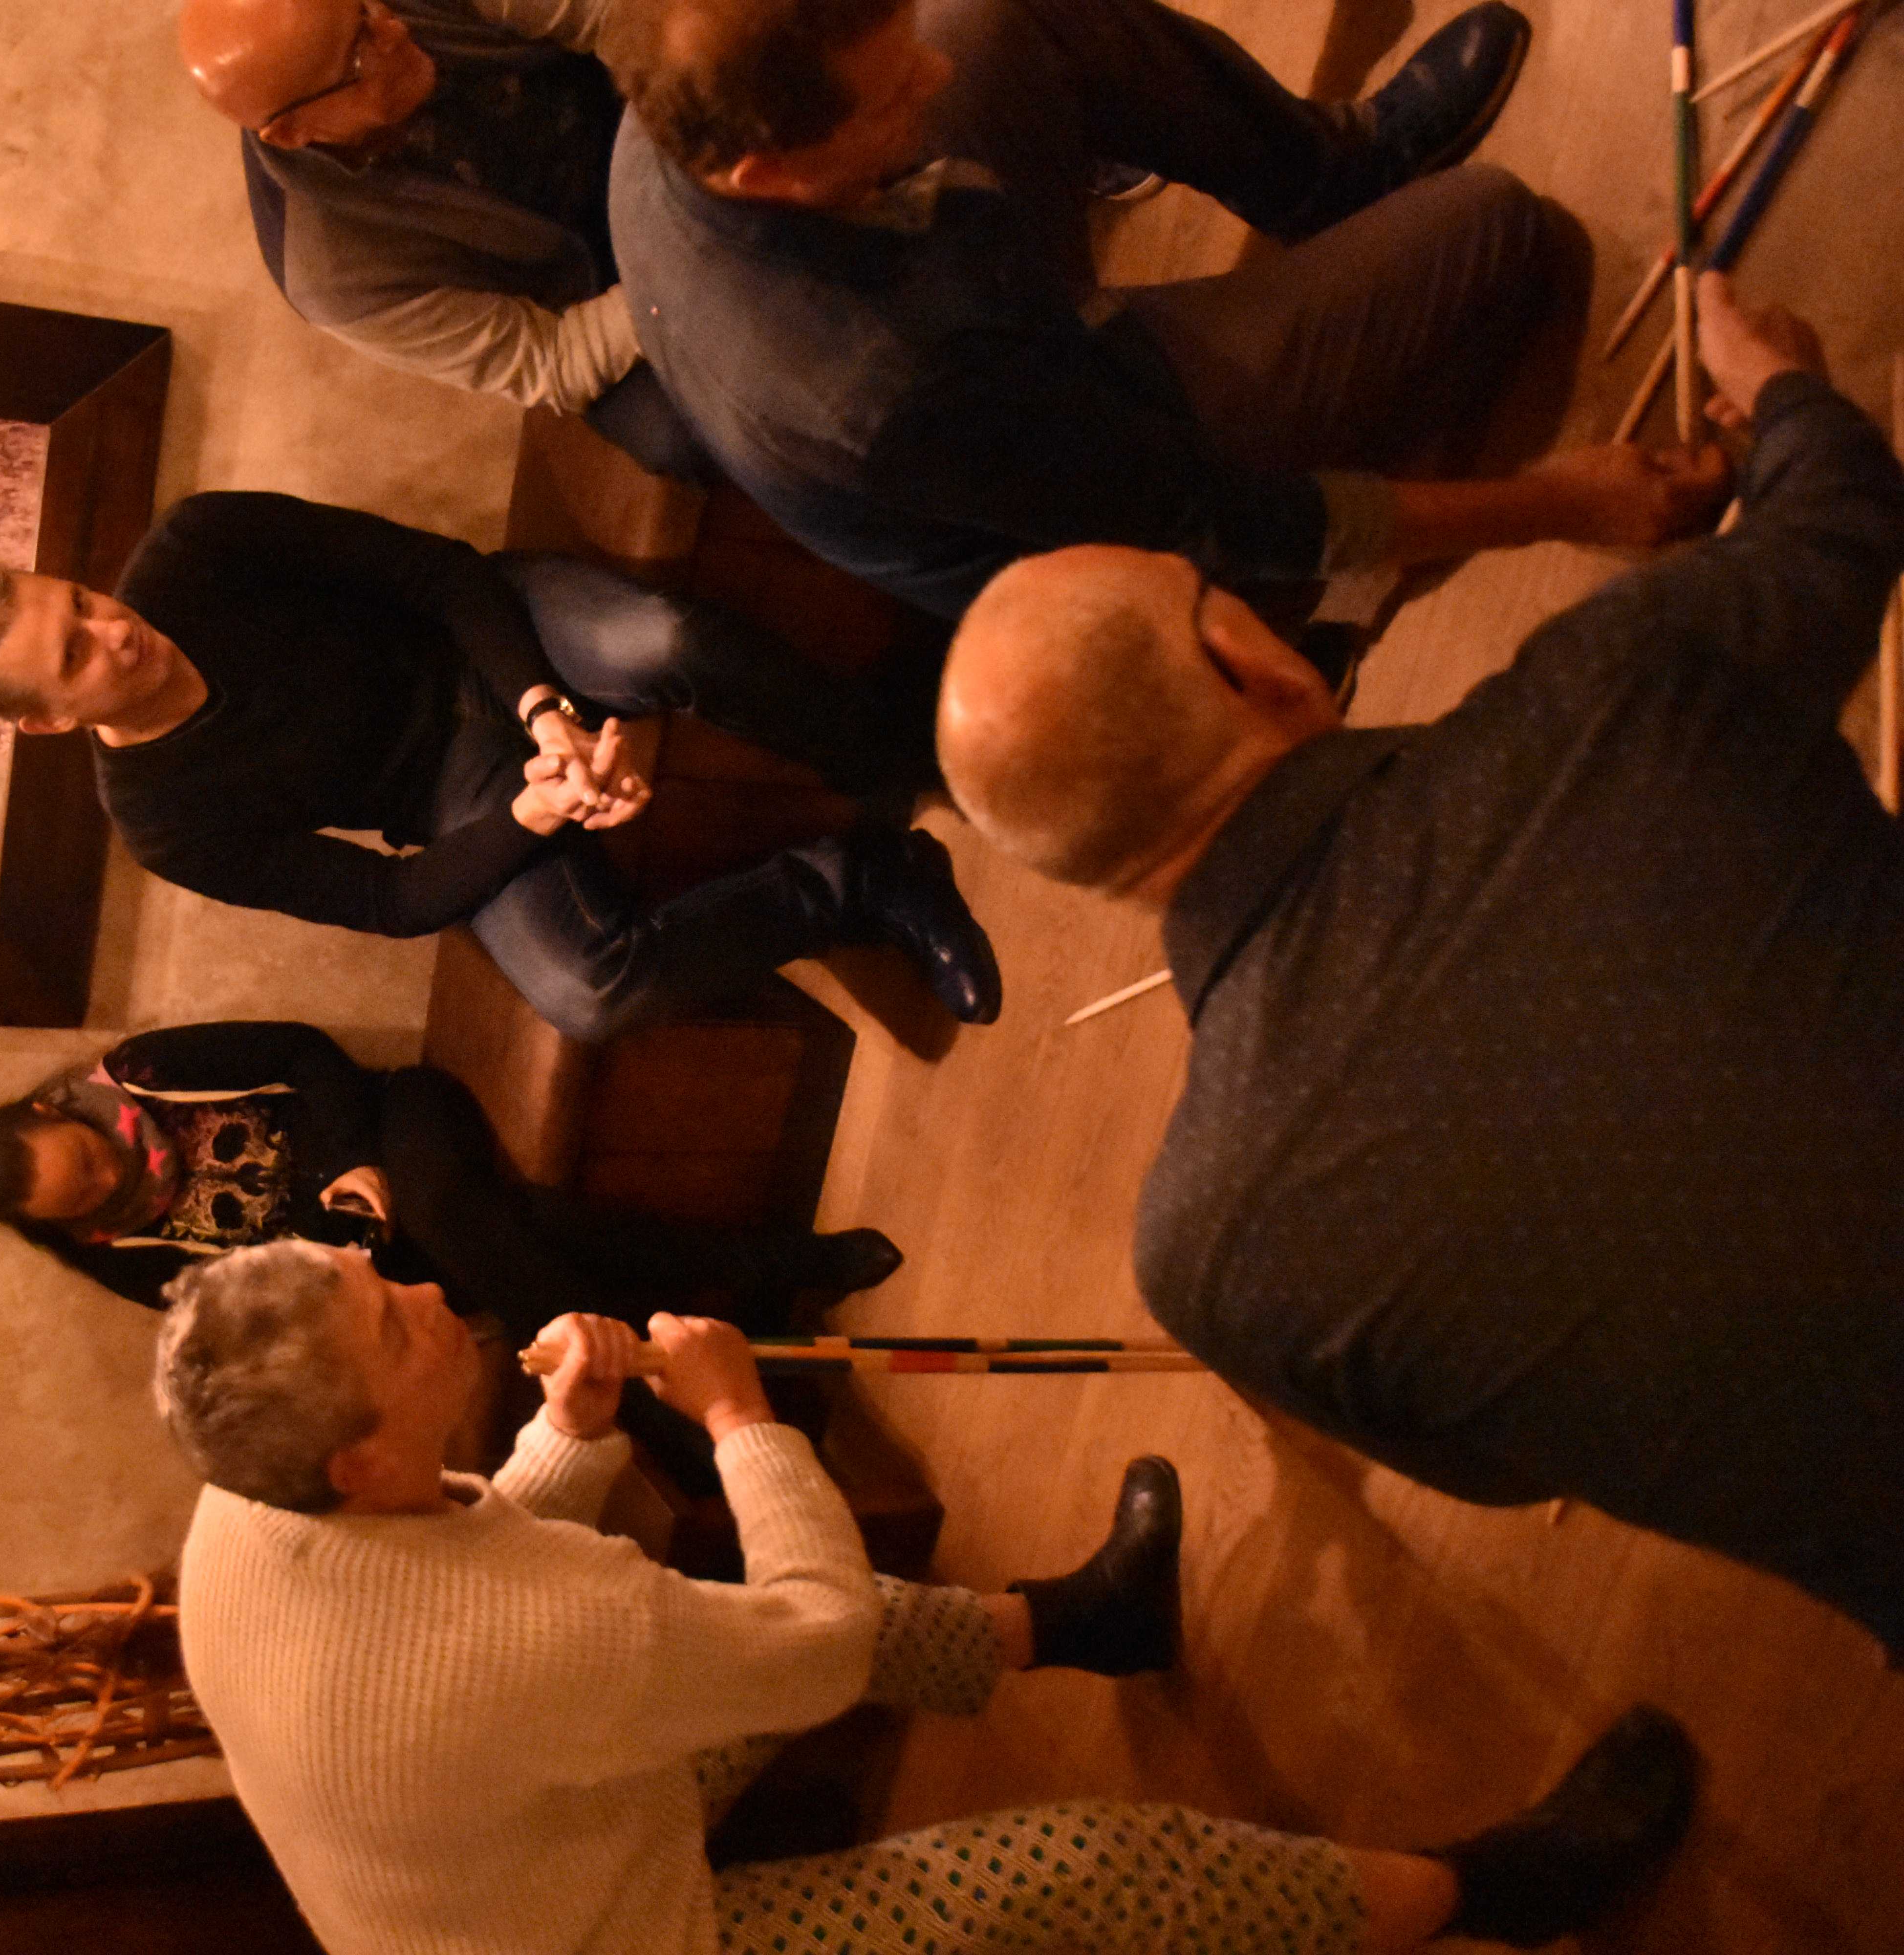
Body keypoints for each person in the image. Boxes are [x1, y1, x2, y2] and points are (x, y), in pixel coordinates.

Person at [935, 273, 1904, 1658]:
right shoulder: (1610, 690)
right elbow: (1845, 514)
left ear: (1088, 872)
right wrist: (1785, 386)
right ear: (1253, 661)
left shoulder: (1208, 1258)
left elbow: (1503, 1466)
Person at [159, 1238, 1701, 1952]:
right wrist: (738, 1415)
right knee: (1076, 1870)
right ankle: (1486, 1895)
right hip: (614, 1937)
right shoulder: (532, 1635)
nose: (427, 1288)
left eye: (369, 1268)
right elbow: (816, 1643)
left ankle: (1085, 1623)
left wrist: (567, 1432)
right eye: (394, 1320)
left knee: (753, 1624)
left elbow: (471, 1551)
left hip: (521, 1836)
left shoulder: (253, 1499)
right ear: (360, 1459)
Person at [601, 0, 1731, 655]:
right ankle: (1266, 617)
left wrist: (912, 117)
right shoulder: (888, 391)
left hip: (983, 316)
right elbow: (1200, 514)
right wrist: (1561, 504)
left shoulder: (677, 115)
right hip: (1086, 481)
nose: (931, 79)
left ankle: (1332, 173)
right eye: (895, 96)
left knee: (1000, 18)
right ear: (767, 171)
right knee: (1494, 225)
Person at [0, 489, 1000, 1041]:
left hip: (488, 635)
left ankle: (892, 744)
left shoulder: (195, 547)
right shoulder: (162, 822)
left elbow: (440, 574)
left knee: (658, 642)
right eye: (75, 655)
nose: (114, 630)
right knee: (584, 992)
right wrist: (536, 812)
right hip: (454, 790)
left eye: (80, 601)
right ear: (48, 723)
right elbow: (388, 899)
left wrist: (542, 707)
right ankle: (863, 882)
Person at [0, 1017, 902, 1327]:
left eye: (88, 1157)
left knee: (445, 1207)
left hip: (395, 1124)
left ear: (52, 1111)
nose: (106, 1178)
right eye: (84, 1196)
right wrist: (332, 1254)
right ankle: (773, 1268)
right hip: (376, 1259)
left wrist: (346, 1161)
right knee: (514, 1230)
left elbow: (306, 1052)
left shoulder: (143, 1069)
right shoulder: (114, 1252)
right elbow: (239, 1307)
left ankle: (659, 1375)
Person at [179, 0, 708, 474]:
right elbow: (551, 359)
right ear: (294, 132)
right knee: (672, 434)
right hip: (592, 287)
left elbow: (609, 14)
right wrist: (681, 273)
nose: (394, 30)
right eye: (360, 55)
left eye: (366, 10)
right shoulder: (330, 276)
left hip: (630, 103)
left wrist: (698, 120)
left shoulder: (389, 20)